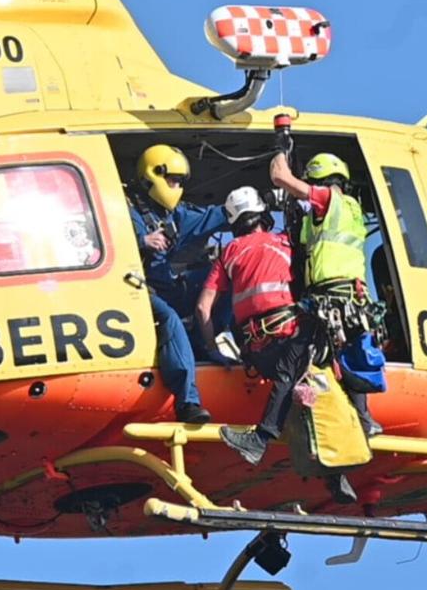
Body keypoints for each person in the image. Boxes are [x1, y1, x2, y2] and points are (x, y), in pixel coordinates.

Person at [195, 187, 316, 468]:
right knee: (298, 364)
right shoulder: (286, 243)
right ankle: (264, 439)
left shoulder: (229, 253)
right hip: (290, 338)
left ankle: (264, 441)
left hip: (257, 351)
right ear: (263, 213)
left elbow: (202, 308)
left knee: (289, 370)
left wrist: (214, 349)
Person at [270, 149, 382, 440]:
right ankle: (365, 422)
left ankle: (268, 432)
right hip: (345, 295)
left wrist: (280, 150)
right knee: (343, 360)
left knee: (296, 361)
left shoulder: (331, 201)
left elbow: (280, 177)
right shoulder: (348, 210)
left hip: (333, 296)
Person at [128, 144, 228, 423]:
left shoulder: (172, 213)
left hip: (168, 286)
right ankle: (187, 401)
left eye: (180, 181)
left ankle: (210, 347)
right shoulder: (123, 209)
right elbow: (99, 239)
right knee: (170, 318)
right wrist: (141, 242)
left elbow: (208, 218)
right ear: (154, 175)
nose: (176, 186)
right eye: (172, 179)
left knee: (223, 281)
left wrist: (246, 207)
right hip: (136, 290)